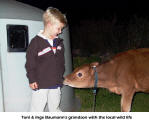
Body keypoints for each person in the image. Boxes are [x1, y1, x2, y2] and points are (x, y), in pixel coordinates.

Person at [25, 7, 67, 112]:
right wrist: (32, 79)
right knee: (37, 109)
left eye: (61, 29)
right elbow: (30, 63)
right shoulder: (36, 42)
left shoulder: (59, 43)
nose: (60, 31)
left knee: (55, 107)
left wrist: (61, 77)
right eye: (59, 28)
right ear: (49, 25)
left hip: (56, 83)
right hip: (40, 84)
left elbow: (61, 62)